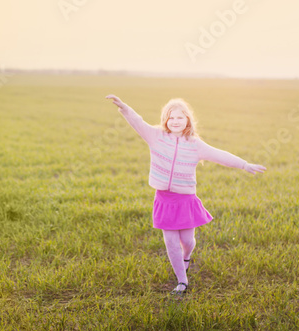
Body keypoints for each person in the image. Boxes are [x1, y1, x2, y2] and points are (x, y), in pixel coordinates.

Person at [105, 94, 266, 296]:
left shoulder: (195, 144)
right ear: (165, 120)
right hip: (164, 200)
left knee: (187, 241)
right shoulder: (155, 136)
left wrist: (244, 164)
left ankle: (187, 256)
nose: (175, 121)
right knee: (171, 242)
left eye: (180, 117)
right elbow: (138, 121)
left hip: (185, 200)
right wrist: (124, 108)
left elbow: (219, 154)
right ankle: (182, 281)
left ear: (187, 120)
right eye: (171, 117)